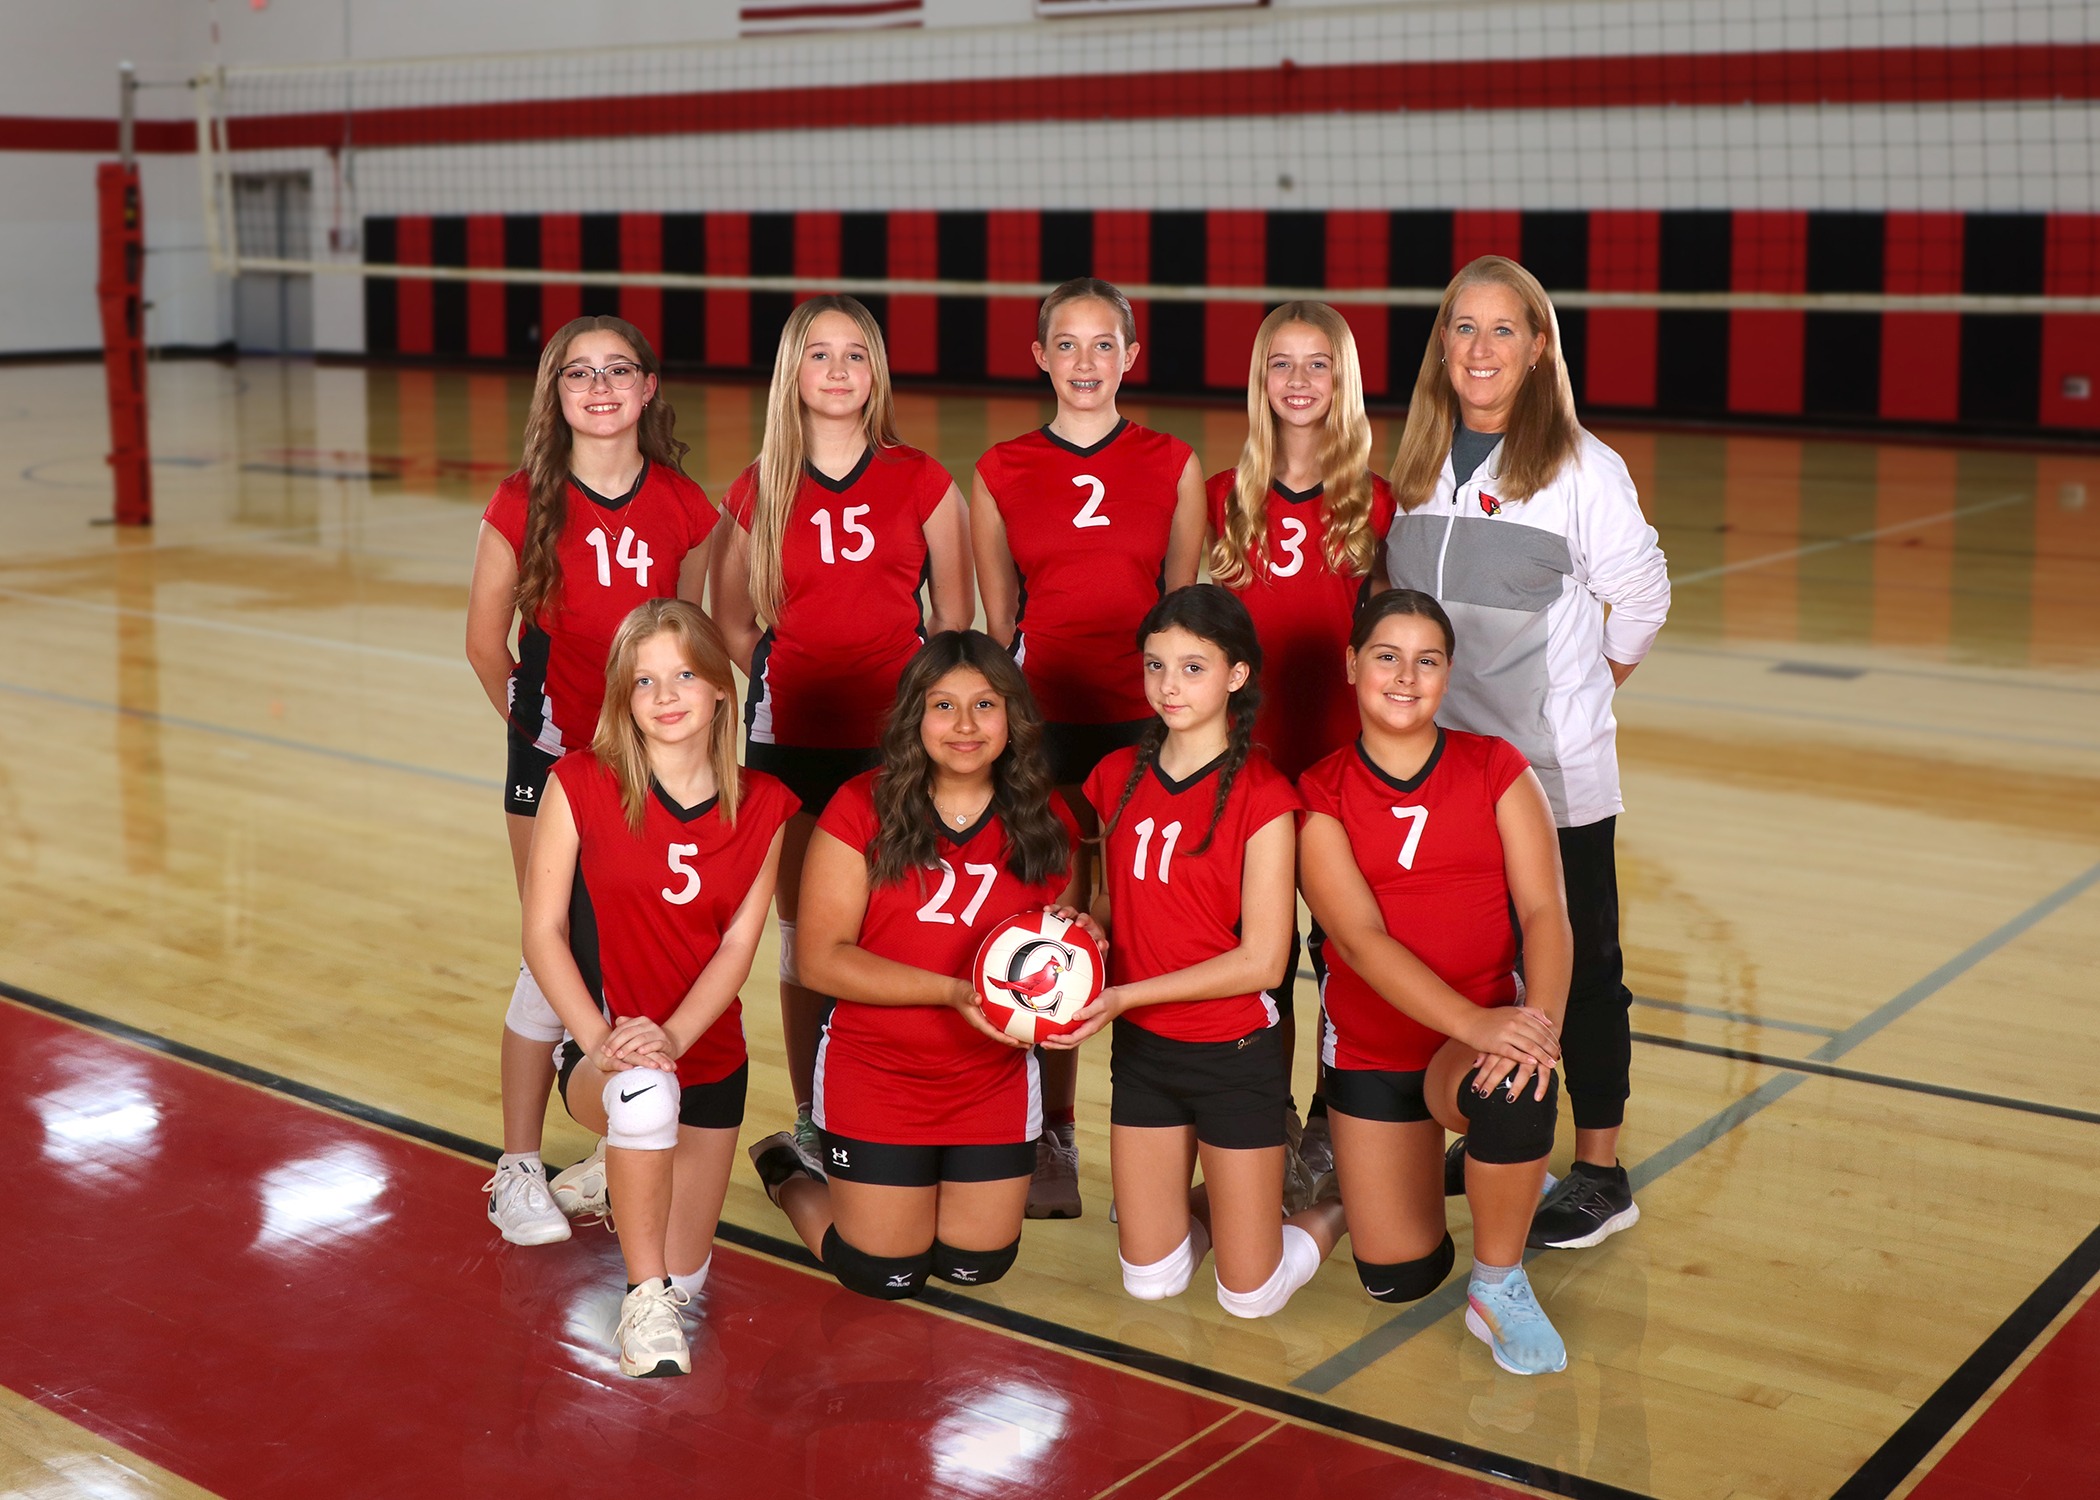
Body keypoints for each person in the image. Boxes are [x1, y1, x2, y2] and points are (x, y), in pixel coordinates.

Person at [1385, 255, 1669, 1250]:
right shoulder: (1416, 463)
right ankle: (1511, 1131)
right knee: (1482, 965)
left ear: (1539, 347)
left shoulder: (1581, 469)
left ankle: (1600, 1171)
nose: (1480, 348)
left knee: (1584, 969)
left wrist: (1586, 693)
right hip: (1445, 773)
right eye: (1463, 327)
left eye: (1504, 330)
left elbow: (1642, 597)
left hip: (1552, 776)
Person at [465, 316, 716, 1246]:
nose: (600, 386)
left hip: (656, 770)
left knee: (642, 952)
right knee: (552, 950)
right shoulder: (522, 499)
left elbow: (700, 647)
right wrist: (542, 743)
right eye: (580, 372)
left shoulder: (686, 505)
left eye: (619, 370)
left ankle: (609, 1149)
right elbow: (484, 643)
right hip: (556, 767)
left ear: (649, 388)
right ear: (555, 392)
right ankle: (517, 1164)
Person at [710, 295, 973, 1174]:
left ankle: (898, 1105)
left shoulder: (925, 480)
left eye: (853, 354)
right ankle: (816, 1118)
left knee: (897, 928)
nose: (835, 370)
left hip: (896, 743)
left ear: (876, 373)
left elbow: (955, 623)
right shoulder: (757, 485)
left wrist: (911, 713)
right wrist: (794, 680)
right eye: (817, 354)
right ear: (794, 373)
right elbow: (733, 624)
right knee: (804, 937)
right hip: (790, 740)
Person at [746, 632, 1089, 1301]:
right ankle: (788, 1169)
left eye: (985, 705)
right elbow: (820, 960)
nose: (965, 726)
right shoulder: (859, 805)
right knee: (881, 1272)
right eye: (943, 705)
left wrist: (1084, 961)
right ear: (914, 717)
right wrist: (955, 992)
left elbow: (1062, 965)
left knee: (975, 1267)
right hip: (875, 1071)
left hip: (990, 1079)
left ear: (1013, 717)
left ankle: (910, 1190)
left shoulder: (1048, 818)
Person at [971, 277, 1205, 1220]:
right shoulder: (998, 470)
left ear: (1131, 357)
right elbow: (999, 625)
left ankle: (1165, 1149)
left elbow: (1184, 617)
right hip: (1047, 733)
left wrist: (1174, 721)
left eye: (1103, 344)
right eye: (1065, 345)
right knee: (1055, 931)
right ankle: (1052, 1135)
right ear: (1039, 357)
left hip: (1149, 727)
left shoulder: (1174, 463)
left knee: (1158, 932)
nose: (1084, 363)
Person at [1047, 586, 1344, 1320]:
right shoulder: (1114, 777)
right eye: (1156, 667)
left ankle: (1348, 1202)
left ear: (1237, 676)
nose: (1169, 687)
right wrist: (1077, 930)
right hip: (1146, 1057)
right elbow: (1115, 904)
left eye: (1192, 668)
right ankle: (1254, 1187)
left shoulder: (1265, 794)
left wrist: (1122, 998)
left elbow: (1262, 963)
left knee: (1252, 1297)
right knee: (1154, 1280)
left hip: (1235, 1055)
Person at [1298, 588, 1572, 1374]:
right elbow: (1359, 938)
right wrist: (1473, 1021)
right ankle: (1430, 1174)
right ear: (1352, 666)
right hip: (1374, 1053)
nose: (1406, 677)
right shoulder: (1318, 794)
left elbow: (1545, 911)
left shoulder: (1495, 767)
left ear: (1449, 673)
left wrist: (1532, 1028)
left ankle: (1500, 1282)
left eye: (1428, 661)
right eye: (1387, 657)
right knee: (1401, 1276)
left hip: (1471, 1052)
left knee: (1518, 1082)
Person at [521, 599, 797, 1377]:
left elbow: (741, 945)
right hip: (600, 1055)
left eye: (684, 675)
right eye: (645, 682)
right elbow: (541, 933)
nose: (667, 695)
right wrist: (605, 1041)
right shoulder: (579, 783)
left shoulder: (765, 804)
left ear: (718, 688)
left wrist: (674, 1037)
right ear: (624, 698)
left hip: (710, 1059)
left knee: (692, 1272)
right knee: (644, 1095)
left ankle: (623, 1175)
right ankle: (640, 1304)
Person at [1205, 300, 1395, 1210]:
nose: (1299, 382)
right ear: (1260, 379)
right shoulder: (1218, 497)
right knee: (1261, 957)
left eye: (1318, 364)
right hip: (1249, 771)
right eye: (1281, 364)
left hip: (1340, 773)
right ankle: (1262, 1118)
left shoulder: (1376, 500)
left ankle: (1331, 1121)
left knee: (1348, 955)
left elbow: (1393, 641)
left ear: (1342, 380)